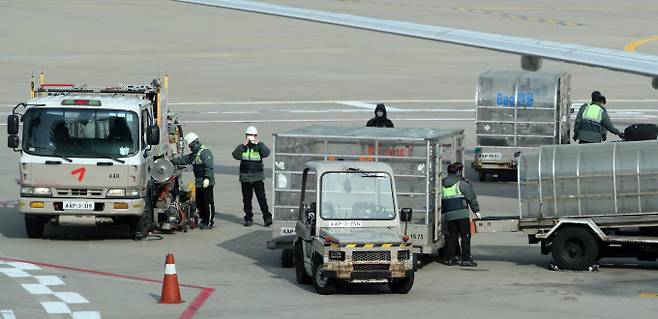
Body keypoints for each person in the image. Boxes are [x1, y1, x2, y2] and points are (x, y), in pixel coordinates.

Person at [171, 132, 215, 229]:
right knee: (199, 202)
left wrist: (207, 178)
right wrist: (173, 160)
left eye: (191, 145)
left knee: (207, 202)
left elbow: (209, 167)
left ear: (195, 142)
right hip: (199, 181)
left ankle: (209, 221)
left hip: (206, 181)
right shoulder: (195, 154)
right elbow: (185, 159)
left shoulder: (205, 152)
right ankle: (204, 219)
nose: (190, 147)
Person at [441, 162, 481, 267]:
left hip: (448, 215)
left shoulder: (442, 183)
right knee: (465, 236)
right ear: (458, 172)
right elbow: (471, 197)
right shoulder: (462, 183)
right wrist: (476, 210)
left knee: (452, 237)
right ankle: (466, 259)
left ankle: (450, 259)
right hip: (462, 215)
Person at [232, 126, 273, 227]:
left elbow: (266, 153)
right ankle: (248, 217)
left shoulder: (259, 146)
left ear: (256, 136)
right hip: (245, 177)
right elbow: (235, 155)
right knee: (247, 200)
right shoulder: (242, 147)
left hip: (257, 177)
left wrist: (259, 143)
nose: (250, 137)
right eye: (249, 135)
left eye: (252, 135)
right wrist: (243, 145)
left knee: (262, 198)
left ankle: (267, 217)